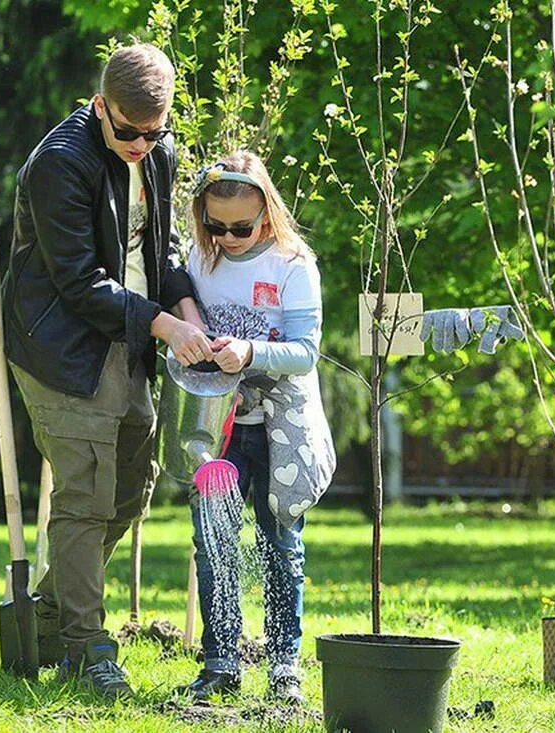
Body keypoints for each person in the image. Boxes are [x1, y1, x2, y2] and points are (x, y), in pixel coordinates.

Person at [3, 43, 212, 698]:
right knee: (86, 490)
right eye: (128, 131)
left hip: (132, 337)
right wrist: (168, 325)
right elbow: (81, 284)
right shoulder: (59, 163)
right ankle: (87, 647)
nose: (142, 144)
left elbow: (164, 241)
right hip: (62, 346)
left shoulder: (158, 150)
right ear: (100, 107)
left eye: (156, 132)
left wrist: (186, 308)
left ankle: (47, 612)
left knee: (130, 484)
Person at [173, 151, 334, 705]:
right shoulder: (201, 258)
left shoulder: (292, 266)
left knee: (279, 540)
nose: (228, 237)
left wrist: (249, 350)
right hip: (218, 428)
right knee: (213, 540)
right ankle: (221, 660)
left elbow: (306, 352)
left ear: (267, 212)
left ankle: (284, 662)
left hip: (278, 430)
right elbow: (175, 293)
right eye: (215, 226)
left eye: (240, 227)